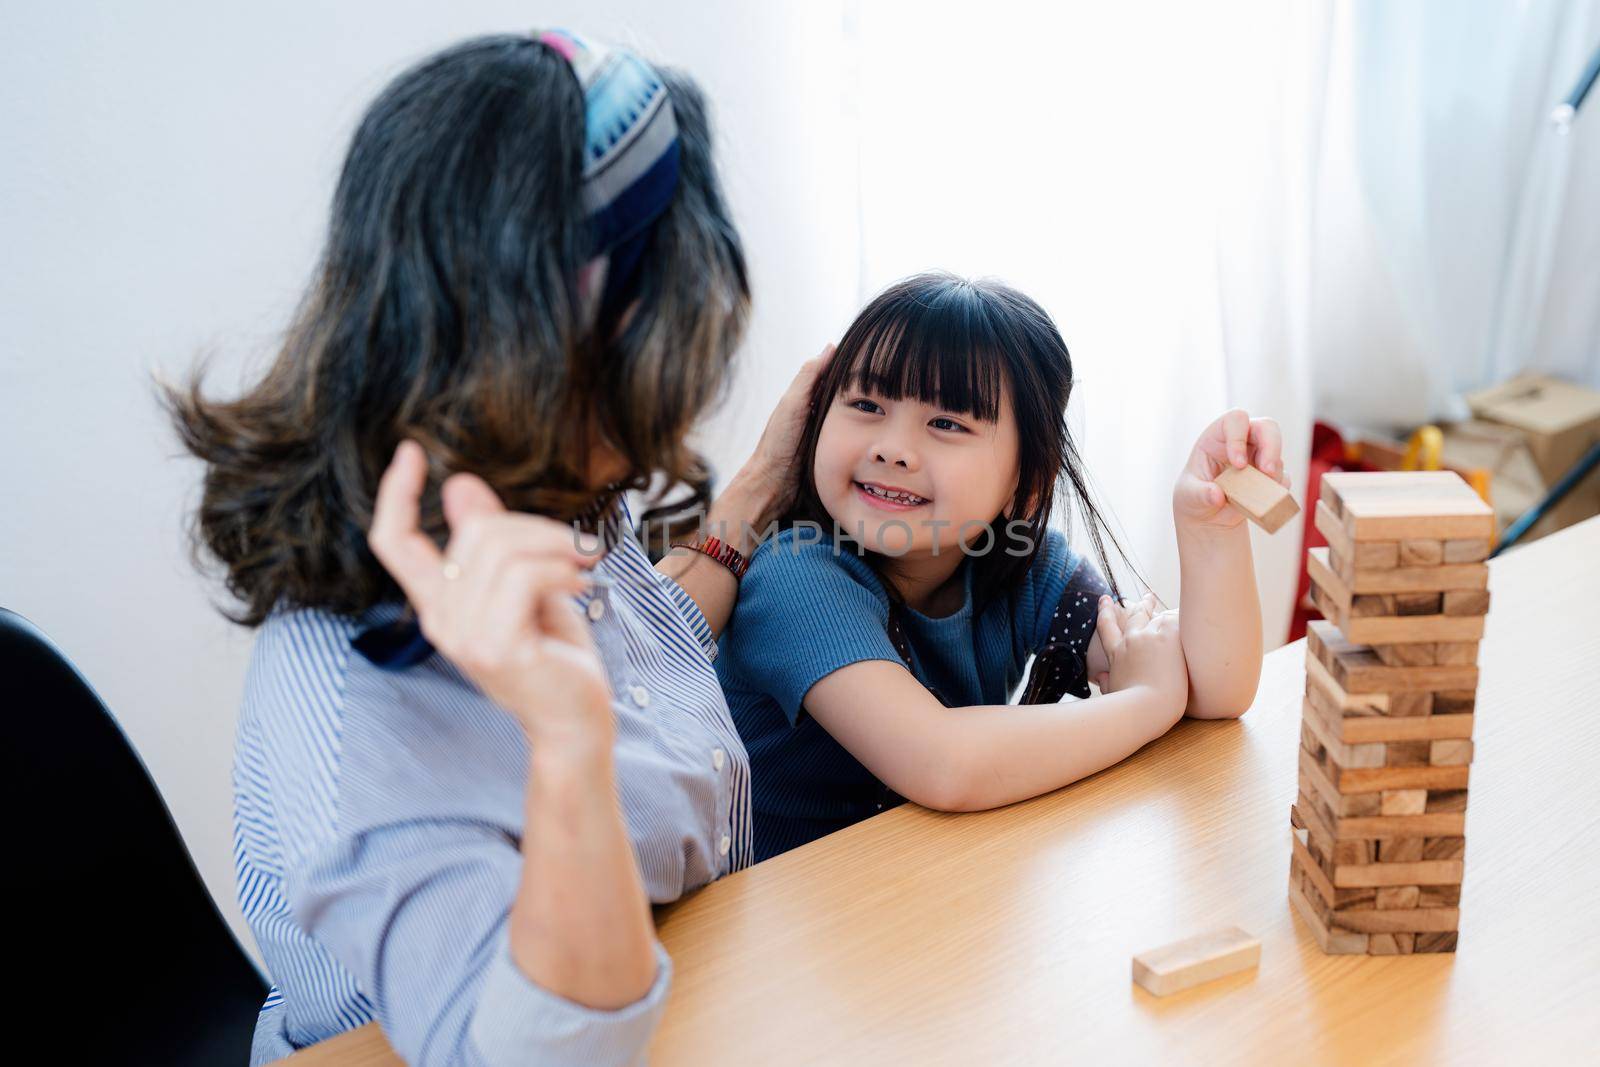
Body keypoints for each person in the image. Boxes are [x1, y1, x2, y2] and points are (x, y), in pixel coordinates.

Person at [166, 30, 825, 1065]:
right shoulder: (355, 684)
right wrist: (569, 750)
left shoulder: (545, 503)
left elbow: (638, 671)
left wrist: (754, 490)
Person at [716, 272, 1287, 860]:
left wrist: (1209, 528)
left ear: (1028, 483)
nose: (891, 447)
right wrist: (1143, 703)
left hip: (926, 889)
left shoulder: (1018, 561)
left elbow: (1212, 691)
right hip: (780, 921)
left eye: (946, 423)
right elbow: (942, 764)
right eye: (865, 404)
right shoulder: (795, 578)